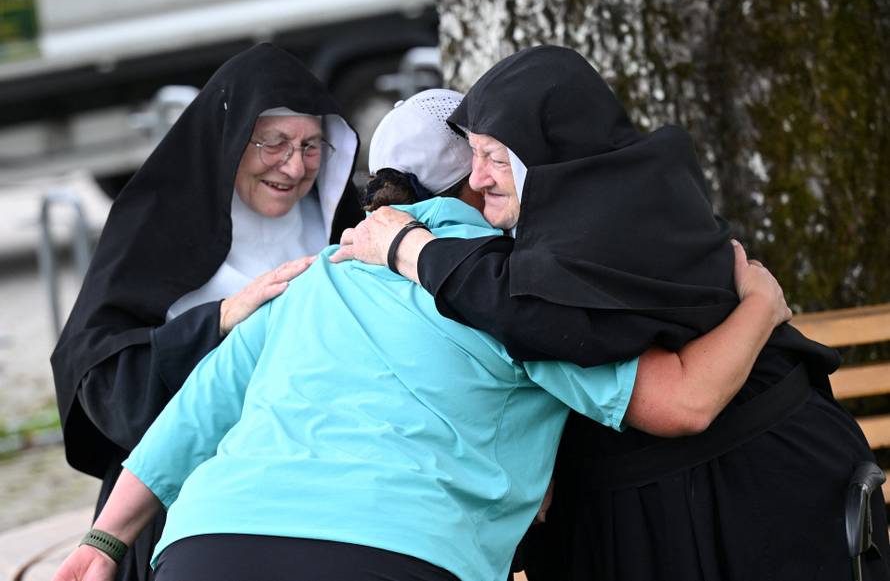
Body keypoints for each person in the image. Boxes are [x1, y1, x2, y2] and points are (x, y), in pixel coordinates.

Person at [53, 89, 789, 581]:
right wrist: (761, 300)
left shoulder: (320, 275)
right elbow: (682, 402)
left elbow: (194, 412)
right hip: (397, 551)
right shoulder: (514, 290)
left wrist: (104, 540)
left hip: (207, 545)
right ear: (478, 181)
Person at [335, 46, 889, 580]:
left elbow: (541, 318)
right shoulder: (605, 202)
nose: (480, 180)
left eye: (495, 158)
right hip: (693, 491)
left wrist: (414, 250)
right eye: (472, 159)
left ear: (544, 149)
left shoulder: (598, 232)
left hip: (750, 491)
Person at [49, 43, 363, 581]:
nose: (295, 166)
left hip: (321, 491)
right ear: (230, 138)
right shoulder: (155, 227)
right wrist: (219, 320)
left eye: (313, 146)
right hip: (182, 502)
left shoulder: (341, 222)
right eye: (275, 143)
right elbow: (102, 383)